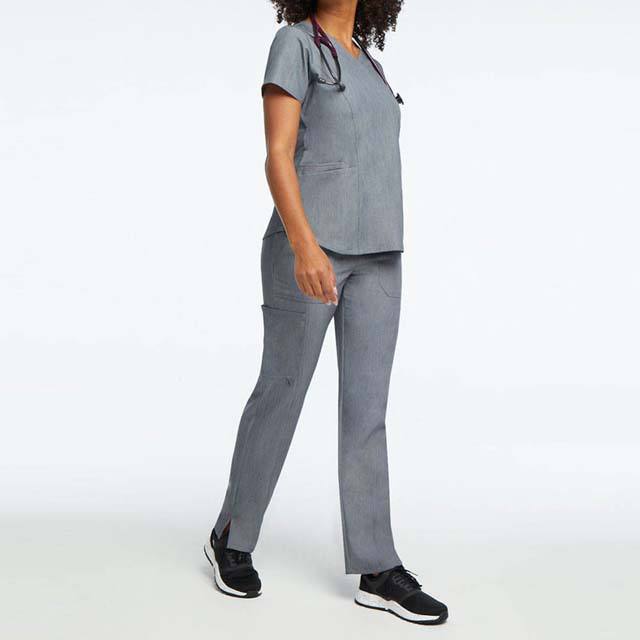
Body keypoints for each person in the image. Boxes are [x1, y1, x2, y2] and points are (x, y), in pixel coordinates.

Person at [204, 0, 448, 625]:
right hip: (310, 250)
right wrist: (305, 245)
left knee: (367, 412)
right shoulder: (295, 44)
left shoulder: (369, 63)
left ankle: (377, 568)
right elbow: (277, 153)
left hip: (380, 256)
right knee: (282, 392)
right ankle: (232, 535)